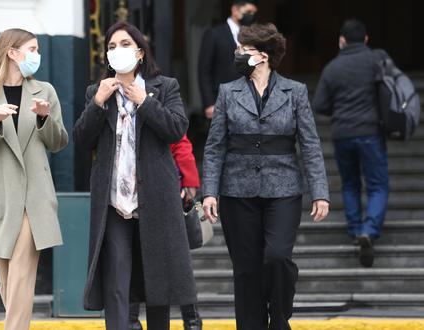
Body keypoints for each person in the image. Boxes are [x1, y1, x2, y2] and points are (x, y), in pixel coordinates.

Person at [202, 23, 330, 330]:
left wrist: (320, 191)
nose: (237, 55)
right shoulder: (228, 93)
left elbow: (310, 144)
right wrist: (209, 191)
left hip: (283, 188)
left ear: (262, 55)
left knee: (277, 258)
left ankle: (280, 315)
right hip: (237, 190)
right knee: (246, 270)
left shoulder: (295, 92)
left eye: (242, 50)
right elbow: (215, 146)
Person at [75, 21, 197, 330]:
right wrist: (98, 103)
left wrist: (145, 101)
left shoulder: (164, 87)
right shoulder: (97, 91)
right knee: (117, 279)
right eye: (112, 46)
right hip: (114, 201)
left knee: (157, 281)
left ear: (140, 52)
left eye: (125, 44)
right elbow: (81, 141)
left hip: (155, 196)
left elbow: (176, 129)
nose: (118, 50)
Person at [0, 28, 68, 330]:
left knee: (21, 271)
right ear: (12, 52)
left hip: (34, 195)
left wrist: (45, 119)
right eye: (31, 49)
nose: (37, 55)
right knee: (7, 279)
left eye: (38, 49)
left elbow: (59, 142)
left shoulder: (45, 91)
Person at [312, 19, 387, 268]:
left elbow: (320, 105)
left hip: (343, 133)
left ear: (342, 41)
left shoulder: (333, 67)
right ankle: (369, 229)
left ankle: (356, 230)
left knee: (350, 184)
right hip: (371, 131)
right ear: (366, 39)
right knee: (377, 184)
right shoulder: (376, 61)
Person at [129, 134, 202, 330]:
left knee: (178, 261)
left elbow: (180, 142)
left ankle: (192, 321)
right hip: (129, 194)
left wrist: (189, 183)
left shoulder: (160, 104)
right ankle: (131, 322)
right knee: (131, 258)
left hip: (166, 193)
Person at [198, 0, 258, 119]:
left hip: (250, 102)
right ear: (235, 10)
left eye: (253, 13)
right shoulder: (214, 34)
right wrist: (209, 103)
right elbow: (204, 71)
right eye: (248, 12)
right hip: (221, 101)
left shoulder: (253, 35)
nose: (251, 16)